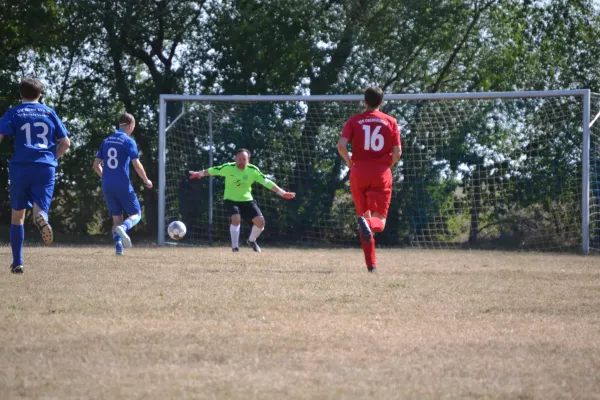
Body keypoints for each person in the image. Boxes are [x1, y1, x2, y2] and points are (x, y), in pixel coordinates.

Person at [0, 78, 71, 274]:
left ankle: (18, 262)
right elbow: (66, 143)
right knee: (40, 209)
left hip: (20, 166)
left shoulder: (14, 111)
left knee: (18, 215)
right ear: (40, 94)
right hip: (45, 166)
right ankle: (40, 216)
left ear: (20, 94)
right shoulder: (49, 112)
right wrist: (51, 157)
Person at [337, 86, 402, 272]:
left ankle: (371, 266)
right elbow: (397, 152)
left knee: (364, 217)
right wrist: (386, 164)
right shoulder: (390, 121)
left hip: (358, 171)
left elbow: (341, 145)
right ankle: (367, 226)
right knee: (379, 222)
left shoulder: (354, 120)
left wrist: (349, 162)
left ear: (364, 101)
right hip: (381, 172)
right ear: (381, 102)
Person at [188, 148, 295, 252]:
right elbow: (212, 170)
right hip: (231, 200)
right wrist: (199, 174)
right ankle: (235, 247)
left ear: (248, 160)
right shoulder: (228, 168)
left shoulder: (253, 170)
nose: (241, 161)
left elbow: (267, 183)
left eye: (244, 159)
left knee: (261, 223)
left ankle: (251, 241)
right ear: (235, 159)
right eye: (239, 159)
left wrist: (283, 193)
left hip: (247, 200)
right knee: (236, 219)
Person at [93, 113, 153, 256]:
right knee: (136, 214)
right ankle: (125, 228)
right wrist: (146, 180)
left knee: (116, 218)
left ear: (120, 125)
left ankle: (119, 248)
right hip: (122, 184)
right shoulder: (128, 141)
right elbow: (136, 165)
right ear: (131, 125)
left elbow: (96, 165)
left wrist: (106, 177)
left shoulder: (106, 140)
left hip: (107, 184)